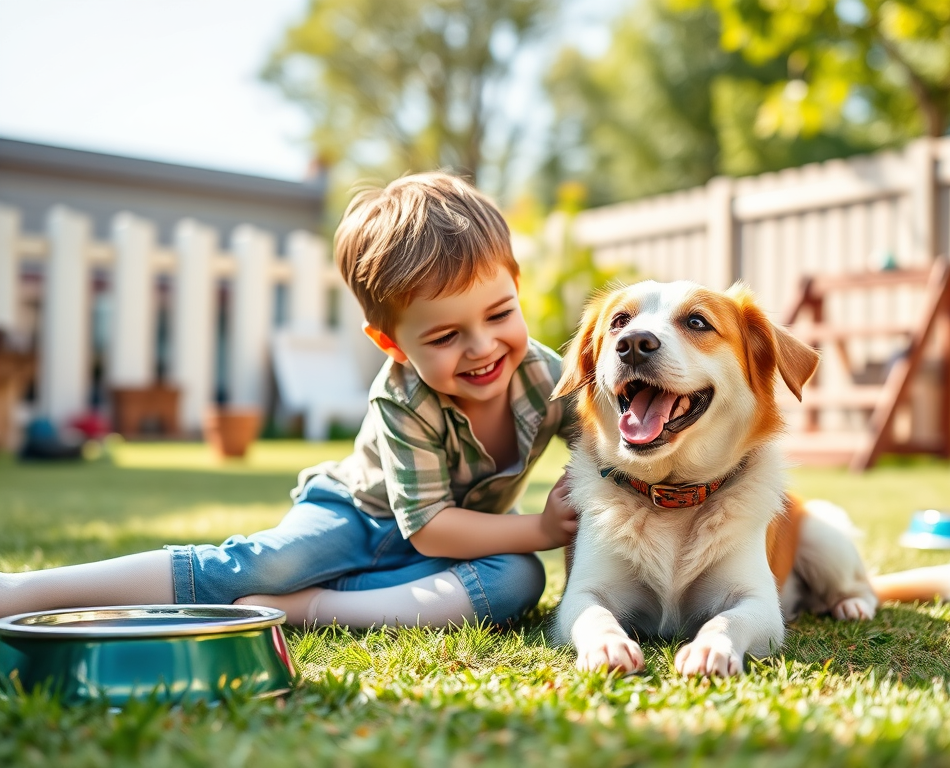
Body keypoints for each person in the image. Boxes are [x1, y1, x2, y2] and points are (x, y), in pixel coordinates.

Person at [0, 172, 578, 629]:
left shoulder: (549, 377)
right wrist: (541, 528)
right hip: (355, 518)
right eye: (444, 336)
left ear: (516, 285)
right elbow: (430, 528)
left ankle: (307, 608)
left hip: (439, 554)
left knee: (518, 580)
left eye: (499, 313)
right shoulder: (403, 398)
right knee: (260, 565)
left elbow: (610, 446)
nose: (482, 347)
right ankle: (25, 591)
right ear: (390, 344)